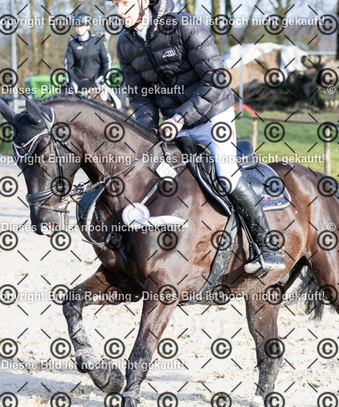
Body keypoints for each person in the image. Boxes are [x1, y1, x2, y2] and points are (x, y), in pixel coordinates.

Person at [112, 0, 285, 273]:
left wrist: (180, 118)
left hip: (212, 117)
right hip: (173, 124)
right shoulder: (125, 43)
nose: (119, 12)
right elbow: (139, 94)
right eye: (115, 4)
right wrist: (148, 126)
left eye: (125, 4)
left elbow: (215, 78)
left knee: (226, 176)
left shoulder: (184, 25)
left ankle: (268, 248)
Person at [64, 12, 111, 92]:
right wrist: (71, 82)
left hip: (98, 82)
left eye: (81, 26)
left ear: (88, 26)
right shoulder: (72, 43)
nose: (79, 28)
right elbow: (68, 66)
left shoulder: (98, 40)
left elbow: (106, 61)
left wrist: (104, 78)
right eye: (77, 26)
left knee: (113, 99)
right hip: (79, 84)